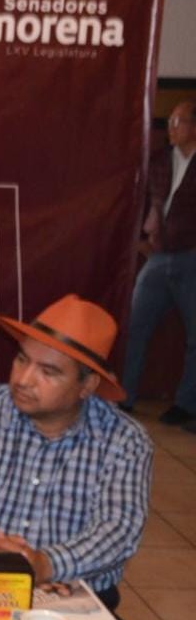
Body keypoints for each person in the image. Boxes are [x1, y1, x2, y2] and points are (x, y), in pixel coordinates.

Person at [0, 294, 153, 608]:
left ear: (87, 386)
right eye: (22, 359)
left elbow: (118, 530)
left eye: (48, 372)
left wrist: (45, 564)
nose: (24, 379)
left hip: (76, 589)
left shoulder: (125, 440)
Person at [122, 100, 196, 426]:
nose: (171, 128)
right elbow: (141, 199)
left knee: (195, 337)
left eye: (178, 122)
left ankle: (185, 404)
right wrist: (139, 238)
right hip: (159, 255)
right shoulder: (160, 160)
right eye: (171, 122)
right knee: (135, 326)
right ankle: (123, 395)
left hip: (191, 256)